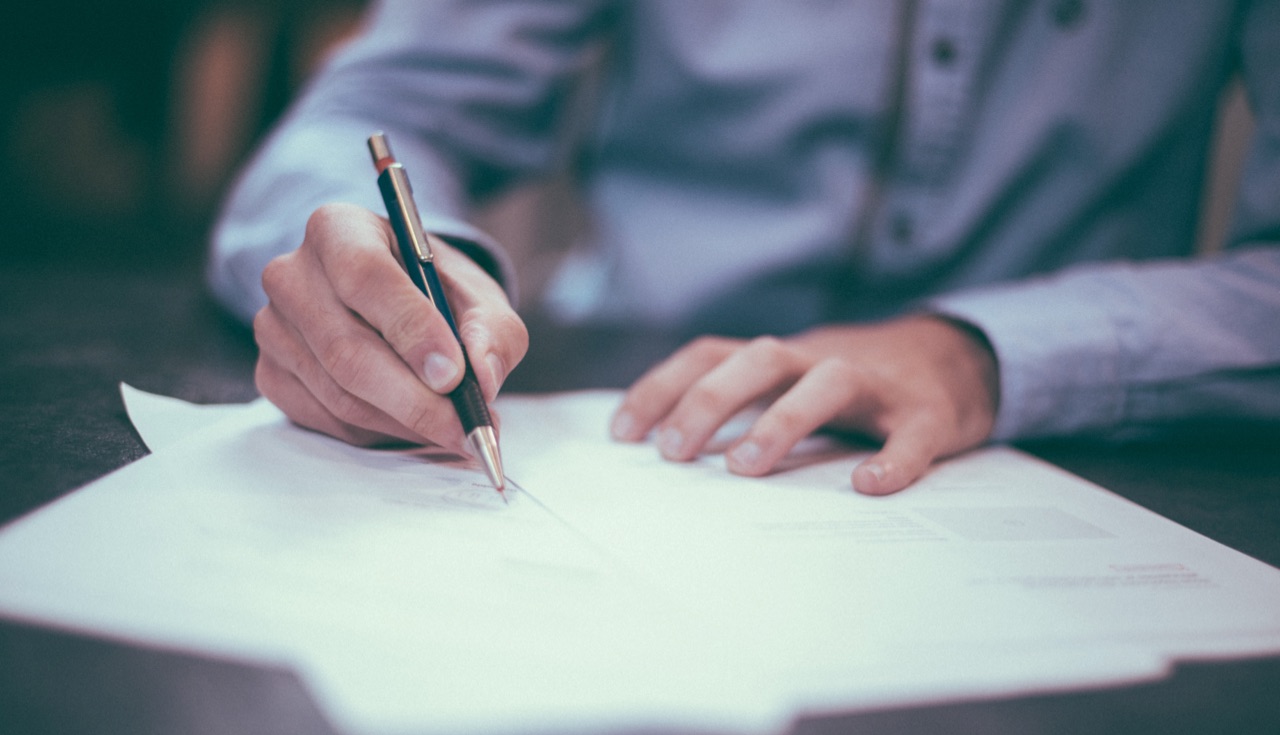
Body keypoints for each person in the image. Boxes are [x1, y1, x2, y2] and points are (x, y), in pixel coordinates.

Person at [209, 0, 1280, 495]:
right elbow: (378, 107)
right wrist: (390, 273)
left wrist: (982, 350)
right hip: (630, 413)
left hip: (1085, 456)